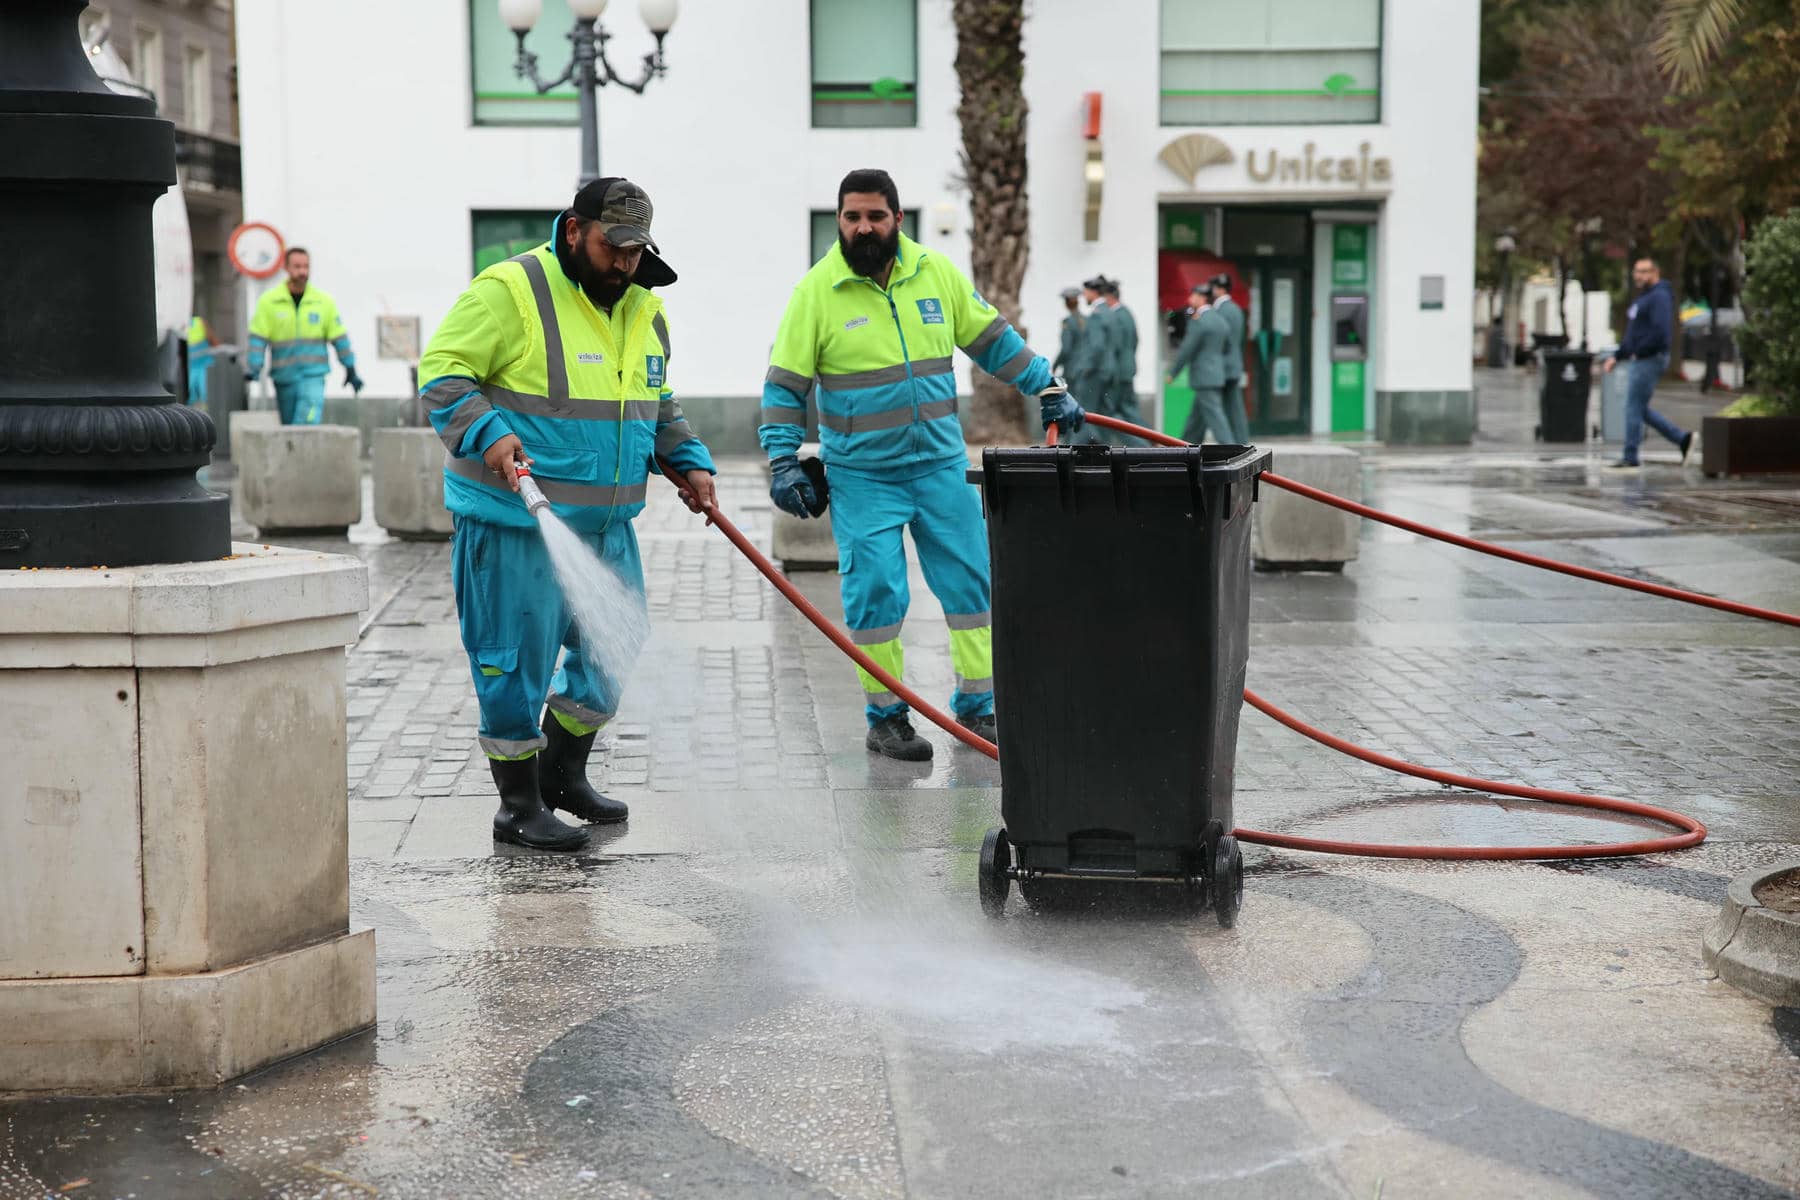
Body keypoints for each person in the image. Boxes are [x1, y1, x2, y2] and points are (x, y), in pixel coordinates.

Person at [420, 177, 719, 851]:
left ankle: (561, 772)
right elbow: (443, 373)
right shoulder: (512, 290)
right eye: (614, 247)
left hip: (606, 524)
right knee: (512, 664)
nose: (624, 264)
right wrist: (489, 433)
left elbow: (655, 402)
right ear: (575, 230)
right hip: (517, 522)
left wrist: (688, 460)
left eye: (636, 251)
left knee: (617, 645)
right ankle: (518, 805)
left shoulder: (644, 310)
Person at [758, 167, 1084, 761]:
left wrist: (1047, 385)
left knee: (972, 586)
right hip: (862, 477)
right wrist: (782, 459)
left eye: (875, 216)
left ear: (897, 219)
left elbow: (993, 341)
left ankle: (978, 708)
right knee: (877, 596)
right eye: (852, 217)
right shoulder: (816, 293)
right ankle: (886, 718)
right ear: (839, 221)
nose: (863, 228)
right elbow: (785, 386)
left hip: (939, 467)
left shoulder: (935, 274)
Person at [245, 247, 363, 425]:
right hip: (284, 378)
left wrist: (350, 368)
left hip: (313, 376)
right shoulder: (269, 302)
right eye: (297, 266)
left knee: (307, 420)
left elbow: (339, 339)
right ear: (286, 268)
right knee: (289, 427)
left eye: (306, 266)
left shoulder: (323, 302)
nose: (302, 271)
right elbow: (258, 339)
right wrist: (254, 366)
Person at [1603, 256, 1694, 470]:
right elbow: (1633, 334)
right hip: (1642, 358)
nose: (1639, 276)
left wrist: (1639, 351)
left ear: (1655, 273)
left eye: (1644, 271)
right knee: (1639, 409)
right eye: (1636, 271)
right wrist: (1618, 355)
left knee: (1632, 407)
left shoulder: (1659, 296)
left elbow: (1661, 332)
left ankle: (1630, 456)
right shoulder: (1645, 297)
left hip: (1649, 359)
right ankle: (1682, 439)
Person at [1166, 285, 1231, 444]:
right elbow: (1227, 346)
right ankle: (1185, 447)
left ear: (1202, 298)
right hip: (1216, 373)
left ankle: (1231, 447)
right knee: (1196, 419)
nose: (1190, 299)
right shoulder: (1220, 320)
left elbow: (1187, 349)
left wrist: (1173, 373)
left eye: (1193, 296)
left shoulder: (1199, 321)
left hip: (1203, 375)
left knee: (1215, 417)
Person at [1208, 274, 1250, 444]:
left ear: (1218, 289)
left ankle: (1232, 443)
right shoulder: (1236, 309)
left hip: (1221, 366)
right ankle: (1241, 441)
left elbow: (1220, 339)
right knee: (1234, 408)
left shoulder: (1219, 311)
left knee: (1212, 406)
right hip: (1234, 364)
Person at [1099, 278, 1141, 444]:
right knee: (1128, 410)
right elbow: (1135, 340)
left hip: (1118, 370)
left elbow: (1114, 345)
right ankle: (1148, 440)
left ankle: (1140, 445)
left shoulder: (1116, 316)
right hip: (1128, 368)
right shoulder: (1126, 313)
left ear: (1109, 297)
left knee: (1109, 411)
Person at [1071, 276, 1113, 444]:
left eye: (1086, 292)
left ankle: (1073, 451)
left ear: (1093, 292)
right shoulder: (1108, 311)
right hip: (1106, 369)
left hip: (1094, 371)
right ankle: (1100, 448)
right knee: (1103, 414)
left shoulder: (1096, 314)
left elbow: (1096, 346)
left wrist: (1086, 367)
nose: (1084, 296)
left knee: (1083, 413)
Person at [185, 314, 213, 408]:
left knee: (200, 393)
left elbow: (211, 338)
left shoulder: (198, 321)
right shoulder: (199, 321)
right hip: (194, 366)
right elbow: (212, 339)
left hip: (200, 365)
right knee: (200, 393)